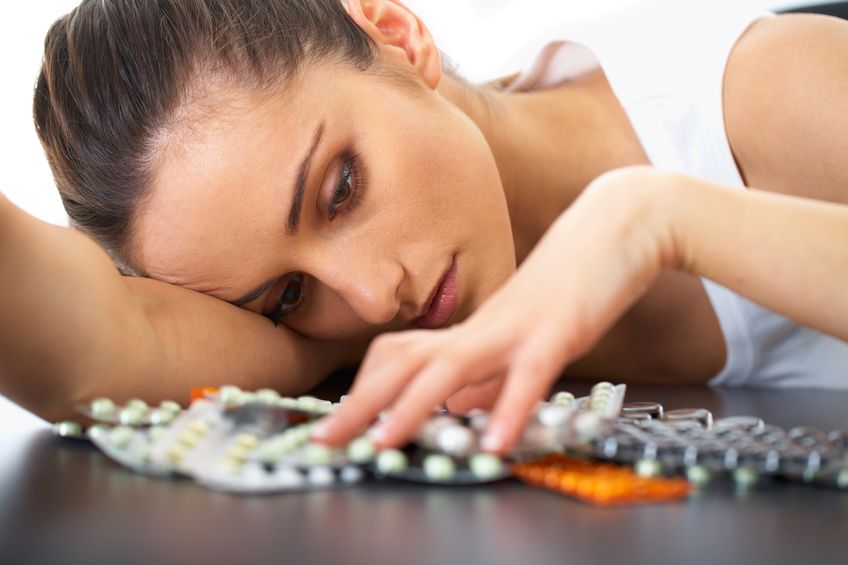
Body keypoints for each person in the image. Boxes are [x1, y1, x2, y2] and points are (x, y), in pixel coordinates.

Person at [1, 0, 846, 452]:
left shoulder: (763, 93)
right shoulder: (362, 322)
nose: (372, 296)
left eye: (340, 188)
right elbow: (95, 348)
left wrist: (661, 218)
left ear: (396, 33)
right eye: (287, 294)